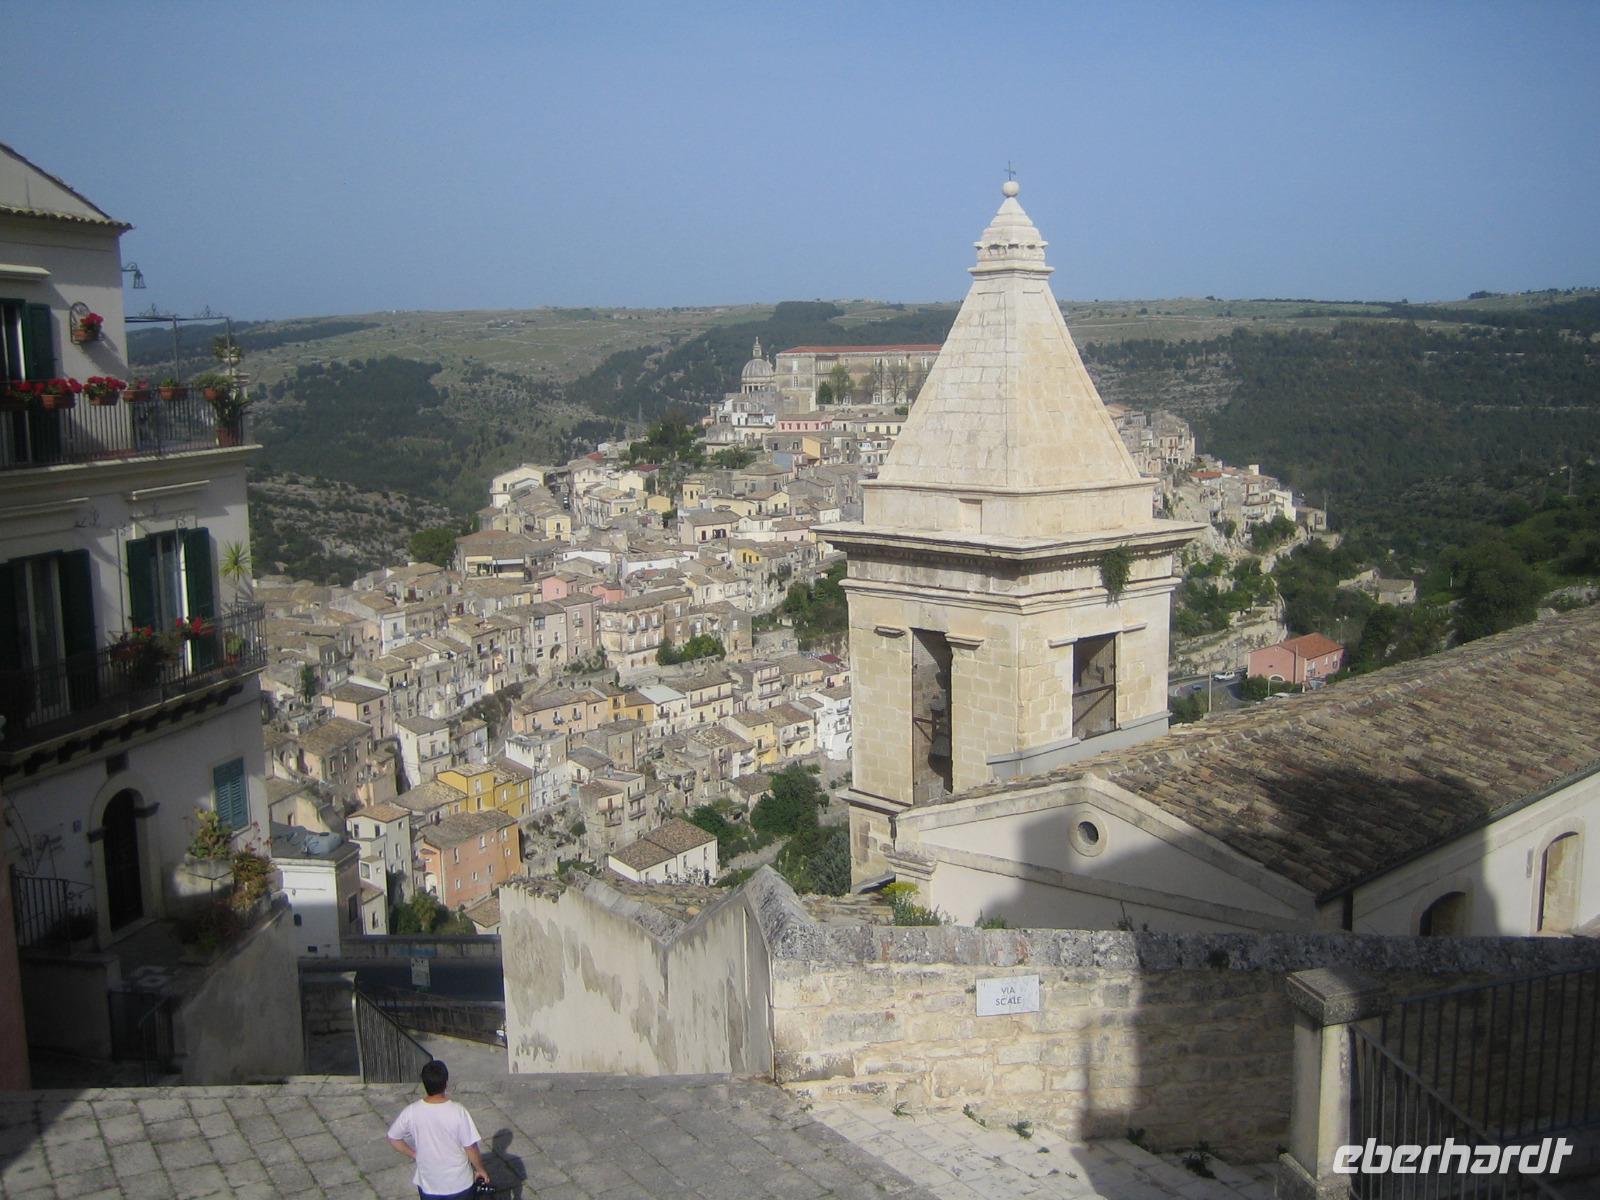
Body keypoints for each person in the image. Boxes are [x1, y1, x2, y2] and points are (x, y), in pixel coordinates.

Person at [386, 1060, 491, 1200]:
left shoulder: (411, 1111)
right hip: (460, 1184)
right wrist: (480, 1170)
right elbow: (470, 1147)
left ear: (424, 1083)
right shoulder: (458, 1111)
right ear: (446, 1083)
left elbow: (393, 1137)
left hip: (430, 1185)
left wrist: (415, 1154)